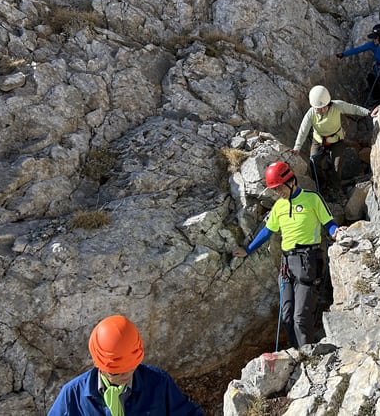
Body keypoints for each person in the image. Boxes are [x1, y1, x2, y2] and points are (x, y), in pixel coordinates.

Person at [232, 162, 347, 348]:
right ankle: (298, 352)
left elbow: (328, 223)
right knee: (287, 316)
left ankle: (308, 356)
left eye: (279, 187)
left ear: (291, 181)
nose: (278, 192)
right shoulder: (278, 207)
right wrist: (248, 250)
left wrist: (336, 232)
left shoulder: (312, 199)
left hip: (308, 262)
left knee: (300, 317)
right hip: (287, 263)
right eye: (274, 189)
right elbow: (267, 232)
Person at [48, 315, 204, 416]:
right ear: (99, 366)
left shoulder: (158, 383)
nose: (126, 376)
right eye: (116, 373)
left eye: (131, 368)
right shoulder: (73, 395)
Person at [291, 85, 375, 197]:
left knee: (337, 163)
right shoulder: (311, 114)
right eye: (318, 108)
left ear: (329, 103)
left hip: (336, 140)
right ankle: (322, 184)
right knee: (314, 162)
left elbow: (354, 109)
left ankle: (336, 187)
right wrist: (297, 147)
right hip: (318, 140)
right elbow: (303, 131)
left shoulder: (337, 106)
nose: (321, 110)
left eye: (324, 107)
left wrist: (369, 113)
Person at [336, 23, 380, 106]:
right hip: (379, 69)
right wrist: (343, 54)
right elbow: (359, 49)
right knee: (371, 78)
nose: (374, 40)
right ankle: (377, 99)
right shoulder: (373, 45)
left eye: (375, 38)